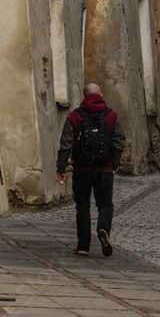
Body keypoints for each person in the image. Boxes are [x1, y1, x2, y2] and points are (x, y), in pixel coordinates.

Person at [56, 82, 126, 257]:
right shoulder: (111, 116)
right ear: (101, 96)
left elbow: (66, 143)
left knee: (82, 206)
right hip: (104, 168)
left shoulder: (74, 116)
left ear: (83, 97)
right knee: (105, 204)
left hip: (81, 169)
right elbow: (119, 142)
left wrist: (61, 167)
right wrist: (114, 164)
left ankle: (83, 246)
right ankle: (103, 229)